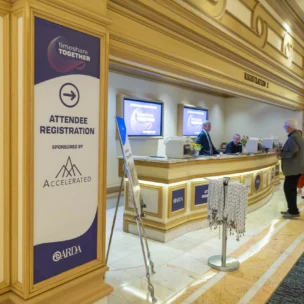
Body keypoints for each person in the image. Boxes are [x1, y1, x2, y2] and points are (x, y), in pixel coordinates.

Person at [276, 120, 304, 218]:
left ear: (289, 127)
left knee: (289, 189)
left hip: (293, 168)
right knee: (290, 189)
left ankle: (293, 211)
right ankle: (292, 209)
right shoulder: (297, 135)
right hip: (296, 168)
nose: (284, 128)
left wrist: (281, 154)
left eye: (285, 126)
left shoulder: (294, 137)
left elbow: (293, 152)